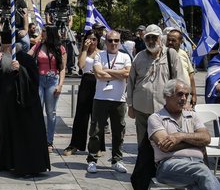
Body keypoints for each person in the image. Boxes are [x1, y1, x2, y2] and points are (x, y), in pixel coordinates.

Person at [0, 46, 50, 175]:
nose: (1, 49)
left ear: (10, 48)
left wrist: (21, 70)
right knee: (6, 133)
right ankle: (5, 163)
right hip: (7, 105)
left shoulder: (26, 59)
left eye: (4, 47)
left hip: (24, 105)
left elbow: (34, 81)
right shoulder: (4, 61)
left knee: (23, 136)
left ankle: (27, 166)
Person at [127, 24, 182, 144]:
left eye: (154, 37)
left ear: (161, 38)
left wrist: (182, 103)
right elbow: (130, 82)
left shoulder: (171, 55)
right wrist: (130, 105)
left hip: (163, 108)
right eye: (148, 38)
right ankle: (143, 162)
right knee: (142, 142)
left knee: (163, 141)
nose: (151, 40)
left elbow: (179, 80)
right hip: (141, 108)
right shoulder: (139, 57)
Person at [88, 30, 131, 174]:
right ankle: (92, 160)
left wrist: (108, 71)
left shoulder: (125, 56)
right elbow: (99, 75)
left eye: (116, 40)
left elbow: (127, 74)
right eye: (110, 40)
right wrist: (118, 74)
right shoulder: (99, 55)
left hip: (119, 100)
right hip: (100, 98)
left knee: (119, 132)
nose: (113, 43)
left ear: (120, 42)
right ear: (105, 42)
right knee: (96, 131)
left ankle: (117, 160)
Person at [64, 31, 101, 157]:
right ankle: (76, 144)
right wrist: (84, 49)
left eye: (94, 39)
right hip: (86, 81)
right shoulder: (84, 52)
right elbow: (81, 65)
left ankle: (98, 146)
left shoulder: (101, 53)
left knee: (97, 116)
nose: (92, 42)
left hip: (98, 82)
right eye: (89, 39)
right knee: (81, 114)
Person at [28, 26, 66, 150]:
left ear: (50, 33)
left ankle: (49, 140)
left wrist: (60, 85)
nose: (41, 33)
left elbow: (62, 68)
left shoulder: (60, 48)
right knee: (38, 110)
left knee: (51, 112)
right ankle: (37, 138)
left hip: (52, 80)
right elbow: (27, 57)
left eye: (43, 32)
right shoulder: (38, 46)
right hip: (39, 79)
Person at [165, 29, 197, 108]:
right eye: (168, 40)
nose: (170, 43)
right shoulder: (163, 55)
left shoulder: (183, 54)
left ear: (181, 42)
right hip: (171, 98)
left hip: (184, 97)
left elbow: (191, 75)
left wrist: (194, 95)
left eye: (173, 40)